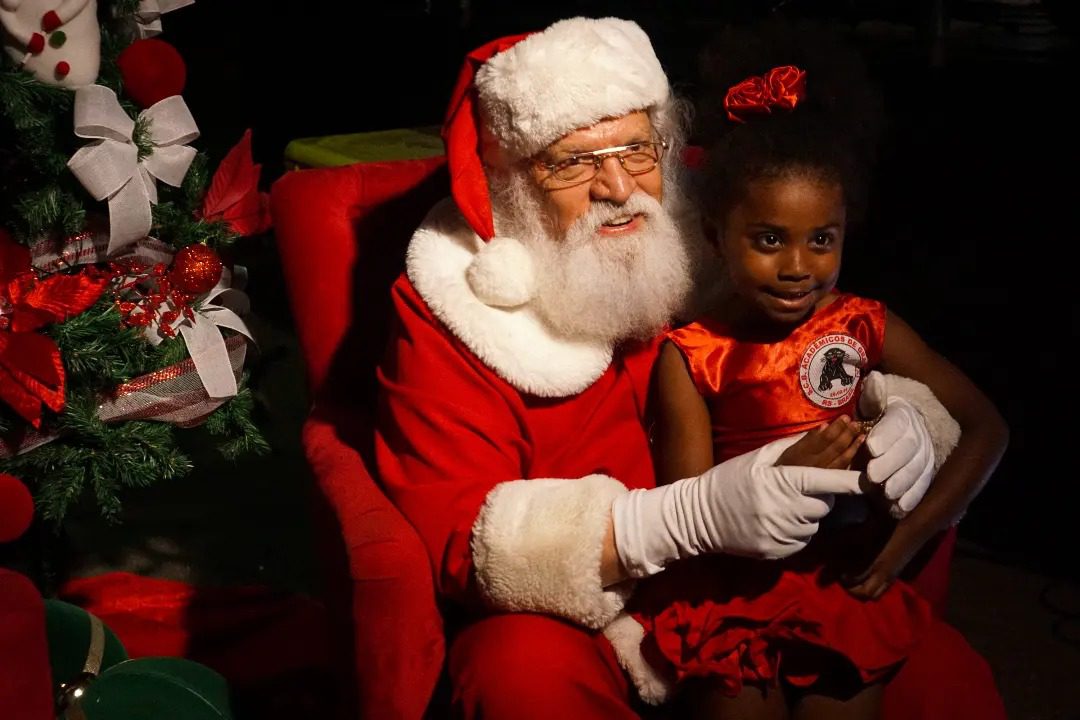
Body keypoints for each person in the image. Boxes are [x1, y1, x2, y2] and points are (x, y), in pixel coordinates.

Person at [374, 16, 1005, 719]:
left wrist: (907, 415)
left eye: (637, 149)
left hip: (784, 577)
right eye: (574, 161)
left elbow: (841, 334)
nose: (618, 185)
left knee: (947, 684)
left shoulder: (726, 211)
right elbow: (458, 533)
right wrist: (675, 521)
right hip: (595, 613)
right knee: (519, 671)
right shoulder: (452, 302)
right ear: (513, 182)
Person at [624, 24, 1009, 720]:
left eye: (821, 240)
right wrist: (776, 471)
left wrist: (904, 545)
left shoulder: (865, 323)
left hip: (845, 583)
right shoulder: (692, 352)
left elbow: (987, 428)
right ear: (717, 236)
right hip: (735, 590)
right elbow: (692, 505)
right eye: (769, 240)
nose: (798, 266)